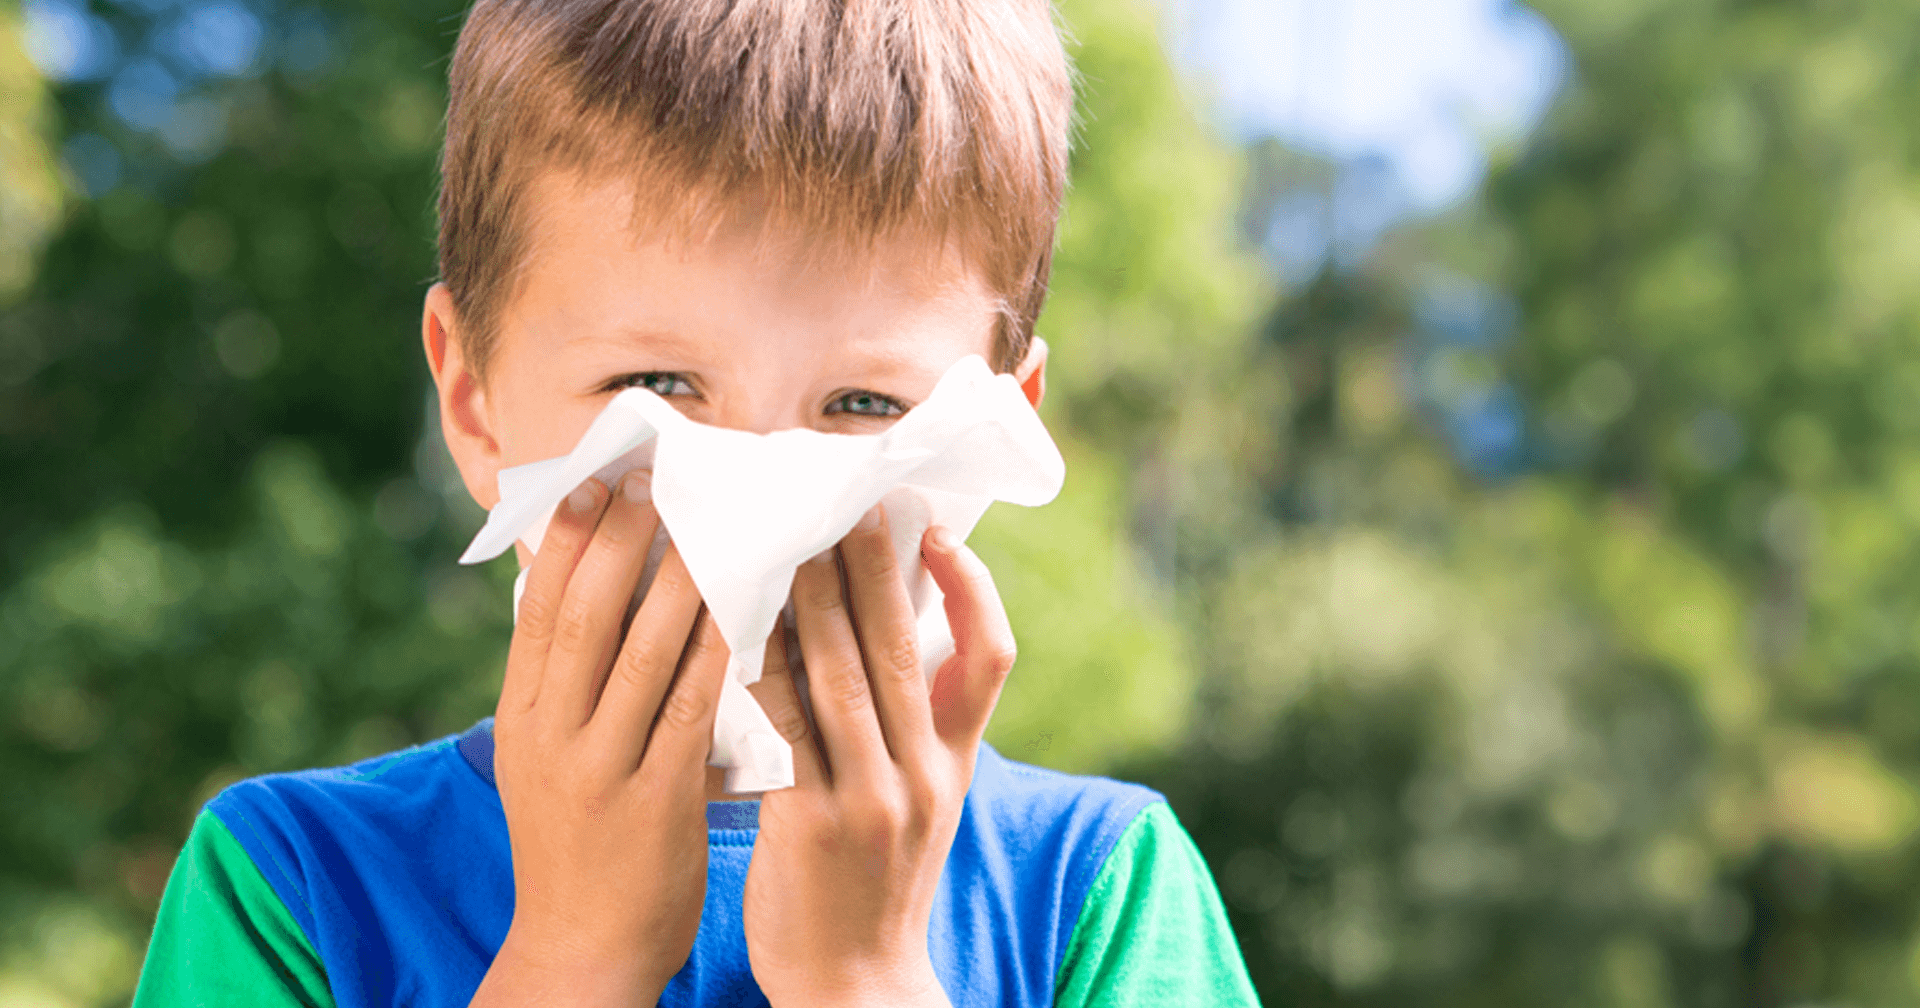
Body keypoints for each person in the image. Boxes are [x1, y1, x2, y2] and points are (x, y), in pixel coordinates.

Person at [130, 0, 1262, 1004]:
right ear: (475, 406)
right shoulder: (291, 887)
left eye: (864, 404)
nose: (758, 493)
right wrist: (576, 957)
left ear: (998, 435)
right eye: (657, 387)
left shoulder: (1098, 893)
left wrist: (862, 979)